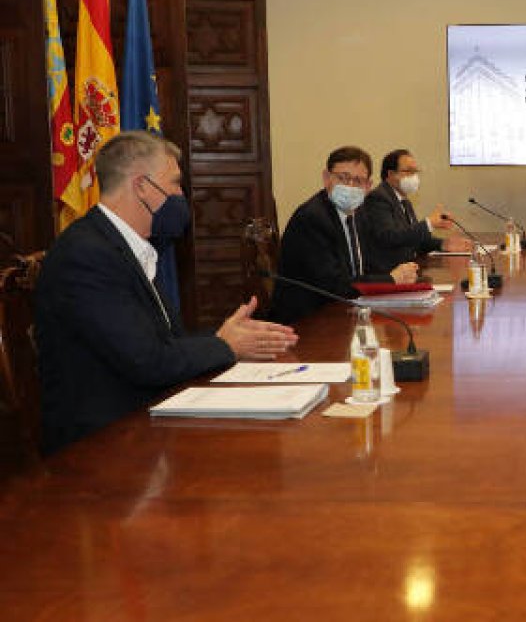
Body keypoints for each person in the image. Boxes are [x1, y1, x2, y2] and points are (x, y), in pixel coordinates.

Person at [35, 131, 299, 454]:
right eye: (174, 183)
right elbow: (147, 361)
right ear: (141, 186)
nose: (180, 195)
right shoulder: (87, 254)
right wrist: (225, 345)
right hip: (102, 447)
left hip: (142, 425)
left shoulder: (125, 246)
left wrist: (224, 337)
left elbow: (163, 343)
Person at [270, 146, 419, 324]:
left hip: (342, 312)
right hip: (307, 322)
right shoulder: (312, 219)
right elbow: (334, 285)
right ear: (326, 178)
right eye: (342, 178)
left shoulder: (358, 213)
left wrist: (404, 273)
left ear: (368, 186)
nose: (350, 186)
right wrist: (391, 278)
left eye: (358, 181)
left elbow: (369, 261)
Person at [361, 148, 472, 271]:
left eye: (415, 171)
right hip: (388, 273)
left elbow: (412, 239)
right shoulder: (378, 198)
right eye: (409, 171)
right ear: (391, 174)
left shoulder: (404, 200)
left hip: (407, 269)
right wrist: (429, 223)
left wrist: (444, 244)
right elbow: (390, 237)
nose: (414, 176)